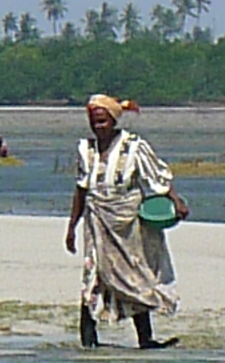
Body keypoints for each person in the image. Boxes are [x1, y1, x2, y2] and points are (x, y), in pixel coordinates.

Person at [66, 94, 186, 349]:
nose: (98, 126)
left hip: (128, 223)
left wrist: (175, 201)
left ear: (113, 120)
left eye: (102, 121)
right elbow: (81, 189)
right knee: (93, 275)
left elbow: (157, 176)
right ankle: (88, 341)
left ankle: (146, 339)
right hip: (97, 220)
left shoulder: (134, 146)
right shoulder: (85, 149)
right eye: (94, 122)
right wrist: (72, 227)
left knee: (133, 275)